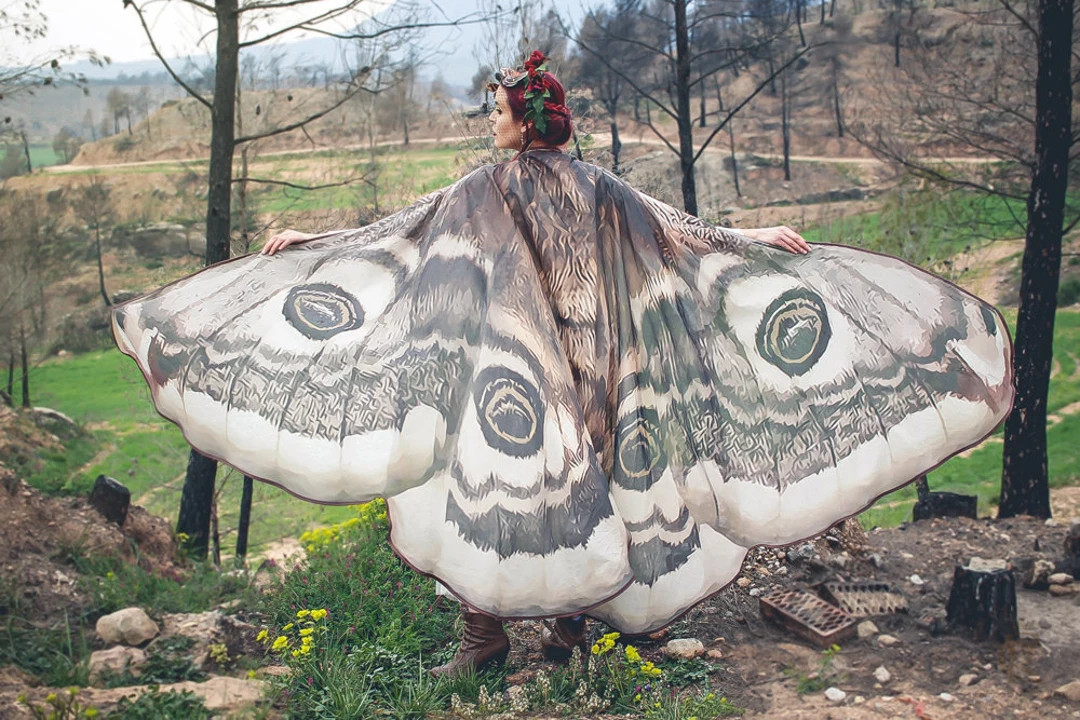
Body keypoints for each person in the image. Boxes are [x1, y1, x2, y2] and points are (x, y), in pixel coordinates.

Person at [112, 51, 1013, 679]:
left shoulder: (559, 186)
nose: (487, 121)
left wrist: (755, 241)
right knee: (507, 486)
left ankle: (545, 631)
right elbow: (407, 231)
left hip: (582, 368)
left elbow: (672, 231)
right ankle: (504, 632)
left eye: (495, 110)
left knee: (551, 489)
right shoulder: (527, 186)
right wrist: (319, 240)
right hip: (553, 364)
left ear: (524, 120)